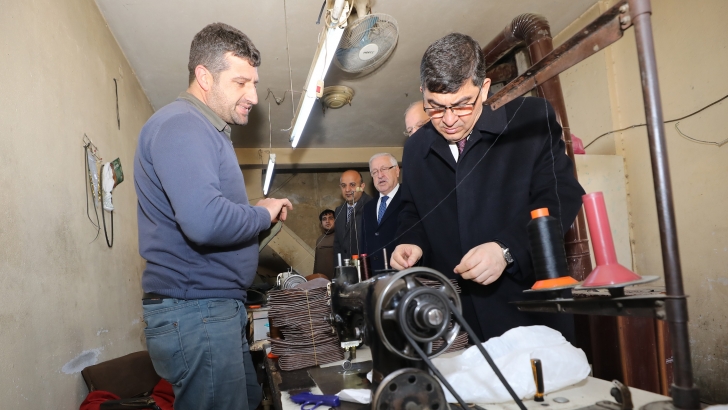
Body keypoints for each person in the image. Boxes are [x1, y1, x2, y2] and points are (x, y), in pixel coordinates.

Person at [134, 22, 292, 410]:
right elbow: (204, 222)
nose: (253, 95)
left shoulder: (204, 130)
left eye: (254, 83)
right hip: (198, 311)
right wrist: (260, 212)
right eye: (241, 82)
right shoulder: (183, 124)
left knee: (251, 399)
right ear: (204, 77)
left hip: (211, 309)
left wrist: (258, 221)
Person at [391, 33, 585, 343]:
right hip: (454, 320)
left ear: (484, 89)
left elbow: (560, 195)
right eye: (435, 107)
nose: (449, 120)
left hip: (527, 311)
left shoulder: (530, 119)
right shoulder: (415, 148)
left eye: (462, 105)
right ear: (422, 93)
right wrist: (411, 241)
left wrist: (506, 250)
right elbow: (411, 210)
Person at [361, 153, 403, 271]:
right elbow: (364, 246)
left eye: (384, 169)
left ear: (397, 171)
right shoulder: (367, 207)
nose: (380, 175)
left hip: (403, 274)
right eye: (375, 172)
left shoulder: (409, 199)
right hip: (374, 276)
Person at [333, 170, 372, 265]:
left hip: (366, 268)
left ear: (362, 186)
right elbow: (337, 245)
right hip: (345, 269)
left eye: (352, 185)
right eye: (343, 185)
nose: (347, 189)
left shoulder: (372, 205)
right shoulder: (339, 210)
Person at [313, 209, 336, 279]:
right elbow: (316, 262)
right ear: (321, 224)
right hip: (320, 280)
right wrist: (315, 277)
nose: (327, 221)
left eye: (330, 218)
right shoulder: (319, 240)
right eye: (324, 219)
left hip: (336, 279)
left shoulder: (340, 238)